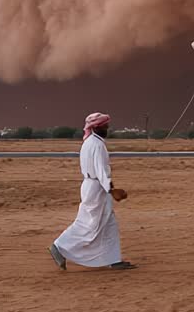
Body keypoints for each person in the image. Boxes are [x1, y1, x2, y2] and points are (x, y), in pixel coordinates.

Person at [49, 112, 136, 271]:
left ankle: (113, 259)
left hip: (94, 186)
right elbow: (100, 170)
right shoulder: (96, 144)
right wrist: (111, 189)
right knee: (89, 223)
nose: (107, 128)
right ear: (96, 127)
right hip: (97, 188)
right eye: (104, 126)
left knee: (108, 223)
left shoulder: (90, 142)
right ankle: (59, 246)